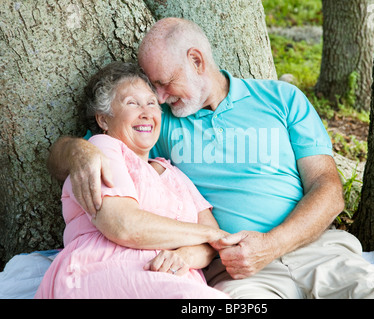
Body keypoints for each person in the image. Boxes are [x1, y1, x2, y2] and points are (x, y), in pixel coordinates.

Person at [47, 18, 374, 298]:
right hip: (236, 271)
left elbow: (329, 189)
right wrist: (77, 149)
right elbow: (84, 153)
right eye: (152, 88)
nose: (158, 96)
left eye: (164, 83)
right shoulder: (158, 122)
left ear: (197, 61)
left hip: (318, 252)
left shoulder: (281, 99)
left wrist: (271, 245)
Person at [35, 61, 229, 299]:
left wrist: (186, 256)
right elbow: (124, 226)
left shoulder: (175, 174)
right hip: (105, 268)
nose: (146, 112)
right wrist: (206, 235)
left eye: (151, 103)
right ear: (104, 120)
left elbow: (214, 243)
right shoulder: (102, 149)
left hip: (172, 279)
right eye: (132, 103)